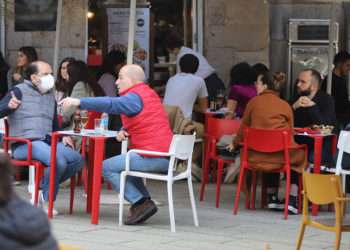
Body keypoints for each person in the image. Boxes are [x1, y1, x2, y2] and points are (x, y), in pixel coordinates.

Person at [60, 64, 173, 225]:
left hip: (156, 155)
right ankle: (144, 202)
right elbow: (144, 117)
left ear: (133, 80)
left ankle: (140, 203)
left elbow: (111, 104)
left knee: (106, 167)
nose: (116, 82)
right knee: (125, 167)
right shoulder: (147, 94)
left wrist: (79, 101)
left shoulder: (134, 96)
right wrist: (124, 129)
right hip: (163, 153)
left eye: (121, 78)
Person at [0, 61, 84, 215]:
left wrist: (61, 137)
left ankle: (40, 189)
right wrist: (7, 107)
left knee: (77, 160)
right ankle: (47, 201)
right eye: (46, 74)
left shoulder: (49, 96)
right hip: (25, 143)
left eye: (51, 73)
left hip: (47, 141)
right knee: (57, 160)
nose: (51, 77)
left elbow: (54, 124)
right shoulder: (18, 91)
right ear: (34, 77)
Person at [227, 71, 307, 214]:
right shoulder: (285, 106)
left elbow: (243, 127)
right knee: (298, 155)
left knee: (268, 149)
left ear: (264, 85)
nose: (255, 85)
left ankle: (272, 197)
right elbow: (290, 134)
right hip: (280, 158)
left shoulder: (253, 102)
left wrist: (234, 143)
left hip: (254, 157)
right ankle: (293, 199)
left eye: (257, 83)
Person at [0, 153, 58, 250]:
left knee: (60, 160)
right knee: (57, 161)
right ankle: (41, 191)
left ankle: (41, 190)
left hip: (46, 146)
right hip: (30, 145)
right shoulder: (37, 215)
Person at [293, 69, 336, 165]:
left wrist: (313, 107)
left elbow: (327, 125)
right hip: (298, 143)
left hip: (320, 144)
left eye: (302, 82)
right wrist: (293, 107)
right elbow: (285, 119)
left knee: (312, 157)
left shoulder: (326, 99)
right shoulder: (296, 97)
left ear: (313, 86)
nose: (298, 85)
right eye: (298, 81)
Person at [166, 37, 225, 101]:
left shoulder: (183, 56)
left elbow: (181, 80)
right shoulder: (189, 51)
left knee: (208, 108)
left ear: (175, 49)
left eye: (171, 52)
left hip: (207, 84)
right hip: (215, 80)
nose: (172, 54)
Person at [61, 60, 105, 129]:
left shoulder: (80, 85)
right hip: (91, 128)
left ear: (73, 74)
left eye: (68, 73)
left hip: (78, 130)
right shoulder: (92, 85)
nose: (66, 77)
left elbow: (67, 113)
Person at [163, 54, 208, 119]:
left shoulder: (171, 79)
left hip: (164, 120)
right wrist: (191, 105)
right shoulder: (199, 80)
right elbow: (203, 109)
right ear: (197, 68)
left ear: (180, 66)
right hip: (181, 123)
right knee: (201, 126)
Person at [322, 51, 350, 125]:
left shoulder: (341, 80)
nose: (349, 68)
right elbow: (338, 104)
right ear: (339, 64)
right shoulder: (329, 81)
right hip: (335, 121)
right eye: (347, 65)